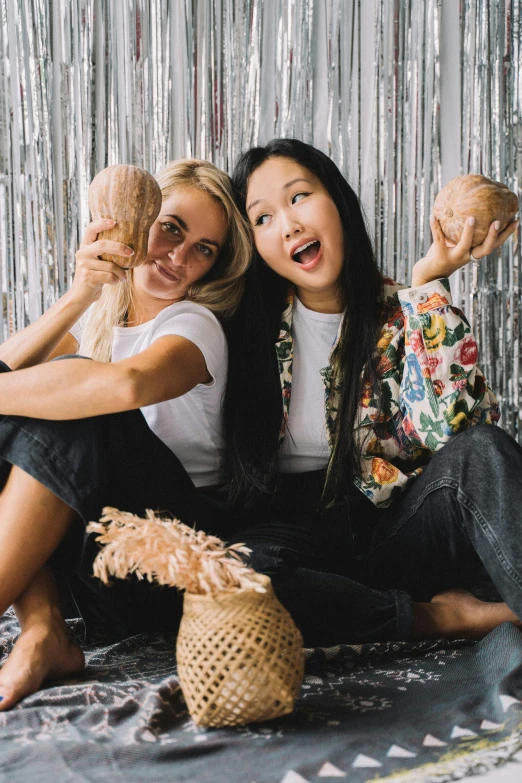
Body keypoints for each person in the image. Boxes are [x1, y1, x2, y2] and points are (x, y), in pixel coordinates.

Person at [224, 137, 521, 648]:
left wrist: (429, 284)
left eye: (298, 197)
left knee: (484, 452)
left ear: (337, 199)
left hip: (397, 530)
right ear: (251, 243)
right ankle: (443, 619)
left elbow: (447, 430)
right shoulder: (242, 329)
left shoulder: (403, 310)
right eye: (263, 217)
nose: (289, 224)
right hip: (295, 536)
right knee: (233, 579)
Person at [0, 158, 251, 710]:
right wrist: (79, 295)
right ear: (136, 222)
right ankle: (44, 630)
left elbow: (128, 387)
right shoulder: (98, 335)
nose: (180, 257)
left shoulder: (192, 326)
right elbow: (6, 375)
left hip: (168, 556)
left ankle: (43, 628)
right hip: (91, 564)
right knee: (40, 399)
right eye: (172, 228)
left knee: (78, 401)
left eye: (204, 249)